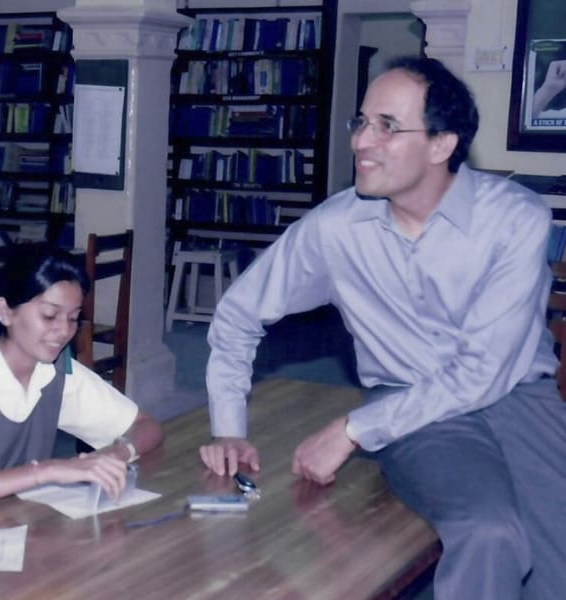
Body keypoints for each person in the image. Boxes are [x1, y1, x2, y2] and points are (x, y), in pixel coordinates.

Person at [199, 55, 566, 600]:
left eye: (387, 126)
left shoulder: (516, 219)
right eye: (362, 122)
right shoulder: (334, 229)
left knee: (557, 556)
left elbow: (484, 371)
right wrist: (229, 424)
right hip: (414, 410)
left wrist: (349, 430)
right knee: (488, 532)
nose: (362, 141)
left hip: (519, 395)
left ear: (442, 145)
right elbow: (237, 314)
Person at [0, 245, 163, 503]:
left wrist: (117, 453)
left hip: (21, 521)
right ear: (5, 312)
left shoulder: (55, 372)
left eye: (73, 318)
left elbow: (147, 427)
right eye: (49, 315)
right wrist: (47, 471)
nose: (64, 330)